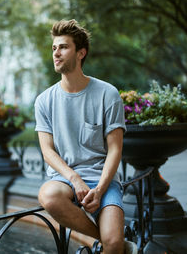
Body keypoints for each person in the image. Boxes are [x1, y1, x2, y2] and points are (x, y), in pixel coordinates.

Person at [34, 19, 136, 254]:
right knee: (48, 197)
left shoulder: (107, 94)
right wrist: (75, 179)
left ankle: (114, 243)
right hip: (65, 180)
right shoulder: (44, 101)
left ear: (81, 52)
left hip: (104, 179)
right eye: (54, 48)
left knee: (112, 247)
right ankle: (111, 240)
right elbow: (47, 151)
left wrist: (99, 190)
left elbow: (115, 150)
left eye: (63, 47)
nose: (56, 53)